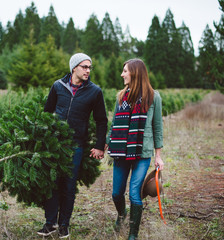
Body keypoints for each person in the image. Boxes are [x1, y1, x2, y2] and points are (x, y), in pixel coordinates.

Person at [37, 53, 108, 238]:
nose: (88, 70)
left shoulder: (94, 91)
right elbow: (47, 112)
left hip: (76, 144)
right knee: (52, 182)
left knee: (68, 185)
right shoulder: (58, 86)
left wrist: (100, 145)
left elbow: (101, 120)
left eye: (90, 67)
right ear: (74, 68)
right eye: (84, 66)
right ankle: (50, 223)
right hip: (55, 143)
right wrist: (43, 138)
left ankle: (64, 225)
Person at [106, 58, 164, 240]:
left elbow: (157, 127)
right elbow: (115, 123)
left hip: (142, 152)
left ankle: (133, 235)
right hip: (121, 151)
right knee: (116, 193)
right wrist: (108, 141)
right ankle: (122, 214)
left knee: (134, 193)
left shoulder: (154, 97)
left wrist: (158, 155)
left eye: (125, 71)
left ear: (135, 73)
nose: (122, 74)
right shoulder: (121, 96)